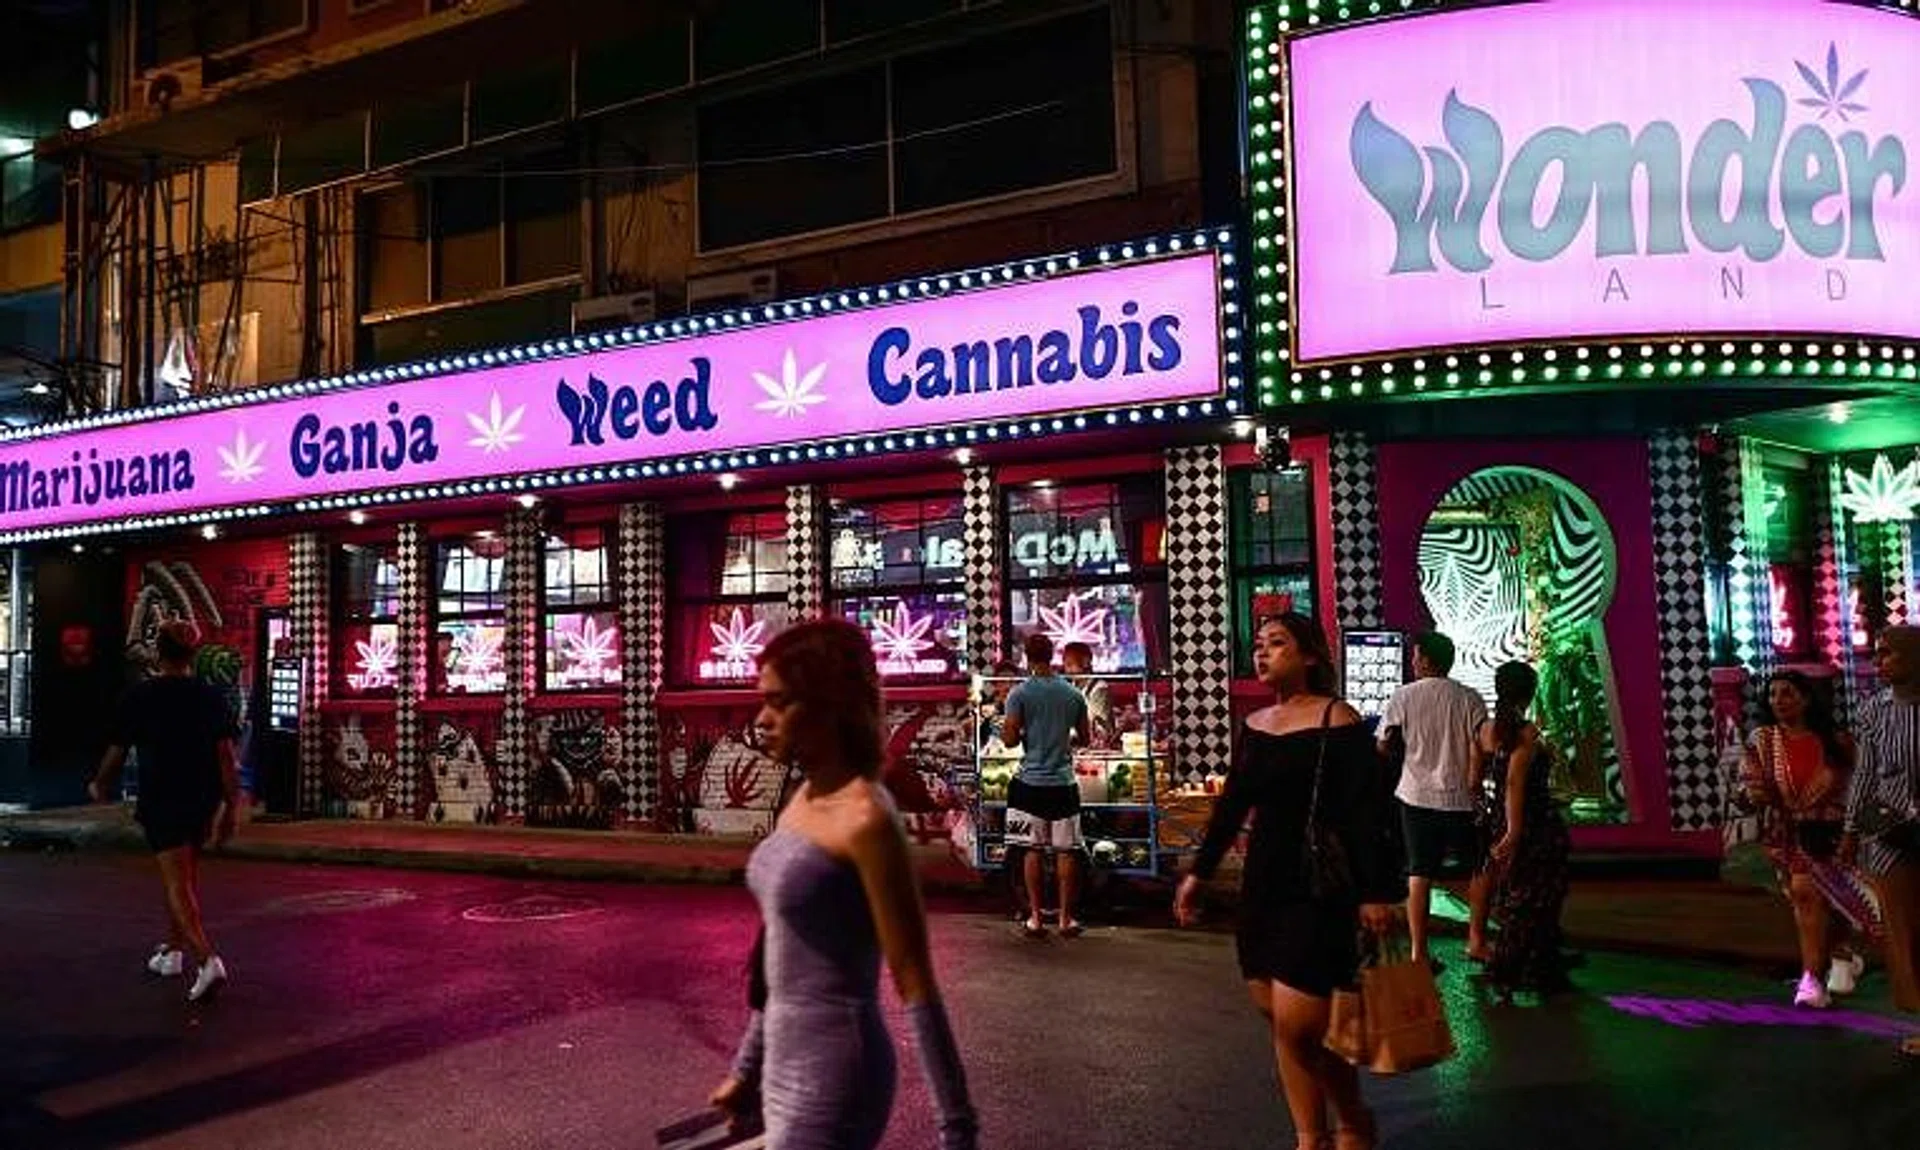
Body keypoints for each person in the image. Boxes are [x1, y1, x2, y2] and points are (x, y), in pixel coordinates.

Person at [709, 620, 978, 1149]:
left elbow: (914, 979)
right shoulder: (805, 795)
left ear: (828, 705)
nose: (762, 720)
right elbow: (777, 955)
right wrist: (747, 1069)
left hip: (835, 1073)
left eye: (779, 702)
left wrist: (958, 1133)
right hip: (783, 1064)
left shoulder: (866, 819)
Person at [1175, 613, 1403, 1150]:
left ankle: (1351, 1117)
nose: (1263, 653)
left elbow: (1365, 814)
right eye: (1258, 645)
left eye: (1277, 644)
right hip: (1263, 884)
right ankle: (1311, 1136)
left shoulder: (1338, 720)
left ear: (1309, 657)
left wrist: (1375, 891)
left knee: (1300, 1021)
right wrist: (1199, 874)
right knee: (1278, 1018)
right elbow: (1232, 807)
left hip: (1318, 886)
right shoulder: (1256, 725)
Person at [87, 619, 240, 1003]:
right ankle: (172, 953)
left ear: (158, 652)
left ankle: (208, 961)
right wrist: (230, 806)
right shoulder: (210, 696)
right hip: (202, 797)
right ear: (193, 655)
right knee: (185, 878)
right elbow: (226, 758)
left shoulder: (140, 696)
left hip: (162, 796)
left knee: (176, 881)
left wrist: (100, 784)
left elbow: (117, 750)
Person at [1741, 671, 1865, 1009]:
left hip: (1836, 832)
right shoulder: (1763, 740)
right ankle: (1812, 977)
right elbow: (1750, 781)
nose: (1778, 700)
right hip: (1791, 833)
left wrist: (1854, 832)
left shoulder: (1838, 742)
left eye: (1787, 693)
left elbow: (1858, 787)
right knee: (1805, 895)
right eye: (1773, 694)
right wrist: (1751, 794)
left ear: (1807, 699)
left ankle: (1841, 953)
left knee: (1836, 902)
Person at [1378, 632, 1491, 967]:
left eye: (1415, 656)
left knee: (1419, 871)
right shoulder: (1470, 698)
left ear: (1426, 660)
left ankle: (1419, 952)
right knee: (1480, 867)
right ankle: (1476, 941)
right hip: (1460, 799)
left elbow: (1382, 745)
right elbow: (1479, 746)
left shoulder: (1403, 696)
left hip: (1415, 796)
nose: (1412, 662)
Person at [1841, 624, 1920, 1058]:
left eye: (1888, 653)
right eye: (1876, 654)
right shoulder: (1873, 711)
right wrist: (1851, 831)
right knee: (1903, 930)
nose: (1879, 662)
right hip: (1890, 833)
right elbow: (1865, 776)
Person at [1475, 661, 1572, 1002]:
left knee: (1523, 892)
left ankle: (1540, 966)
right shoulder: (1525, 732)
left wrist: (1494, 821)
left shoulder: (1487, 730)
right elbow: (1516, 779)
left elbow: (1477, 779)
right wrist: (1515, 831)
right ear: (1529, 693)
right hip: (1533, 821)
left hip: (1503, 818)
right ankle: (1511, 968)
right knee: (1538, 895)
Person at [999, 632, 1091, 938]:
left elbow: (1010, 741)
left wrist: (1018, 731)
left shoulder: (1019, 694)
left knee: (1031, 850)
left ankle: (1036, 918)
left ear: (1026, 657)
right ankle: (1066, 919)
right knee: (1067, 851)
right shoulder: (1073, 694)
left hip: (1029, 784)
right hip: (1064, 782)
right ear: (1052, 656)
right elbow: (1086, 738)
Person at [1060, 640, 1113, 748]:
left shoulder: (1100, 688)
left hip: (1095, 748)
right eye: (1065, 665)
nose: (1067, 670)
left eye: (1070, 664)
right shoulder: (1071, 687)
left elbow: (1099, 730)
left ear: (1086, 661)